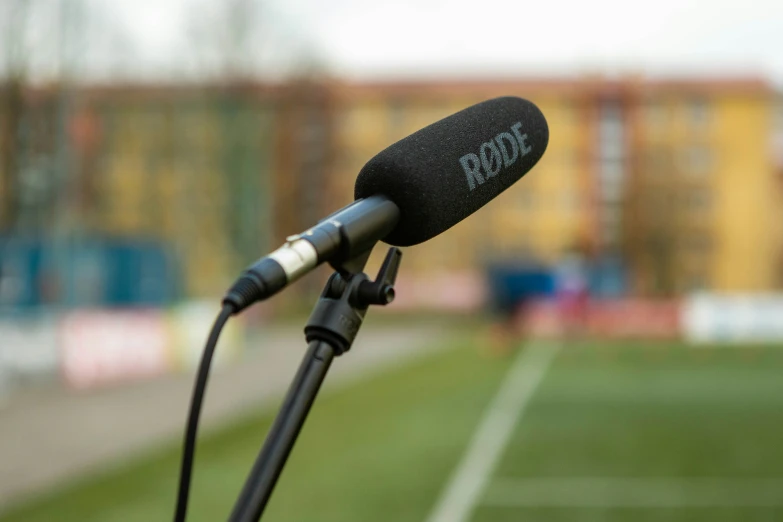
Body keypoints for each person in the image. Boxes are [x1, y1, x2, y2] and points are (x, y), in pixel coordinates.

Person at [554, 243, 590, 339]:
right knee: (576, 310)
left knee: (569, 310)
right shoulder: (579, 260)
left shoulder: (565, 261)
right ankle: (575, 327)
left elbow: (560, 276)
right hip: (575, 287)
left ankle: (570, 327)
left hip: (569, 288)